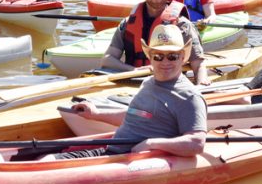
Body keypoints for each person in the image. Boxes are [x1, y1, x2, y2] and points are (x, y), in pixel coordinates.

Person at [46, 25, 207, 160]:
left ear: (182, 58)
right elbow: (134, 115)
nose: (165, 62)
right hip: (112, 150)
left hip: (129, 159)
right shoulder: (148, 83)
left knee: (47, 163)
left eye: (172, 56)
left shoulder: (189, 96)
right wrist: (95, 114)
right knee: (45, 156)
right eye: (158, 56)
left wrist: (153, 143)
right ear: (150, 57)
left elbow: (196, 143)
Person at [101, 0, 210, 85]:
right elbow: (107, 59)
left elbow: (198, 63)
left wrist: (201, 84)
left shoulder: (182, 24)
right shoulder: (127, 24)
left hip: (168, 84)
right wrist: (134, 70)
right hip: (133, 80)